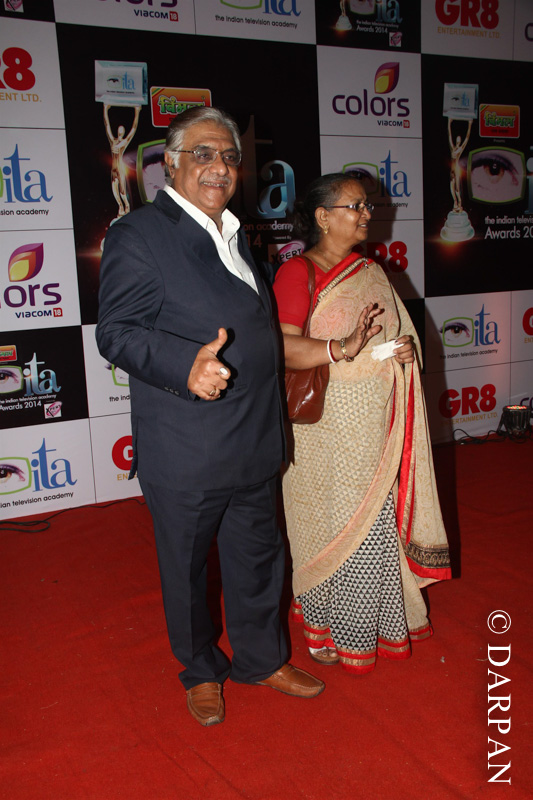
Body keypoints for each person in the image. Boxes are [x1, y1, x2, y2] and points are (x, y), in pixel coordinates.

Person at [96, 106, 324, 727]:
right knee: (187, 570)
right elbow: (116, 331)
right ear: (170, 164)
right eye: (202, 153)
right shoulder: (140, 233)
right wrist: (184, 366)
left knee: (259, 558)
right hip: (186, 446)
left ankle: (262, 659)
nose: (218, 166)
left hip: (254, 437)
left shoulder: (234, 232)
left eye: (228, 156)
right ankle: (200, 669)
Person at [273, 172, 451, 674]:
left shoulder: (371, 271)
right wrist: (345, 348)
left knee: (373, 522)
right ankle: (324, 627)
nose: (367, 213)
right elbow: (282, 347)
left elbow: (394, 338)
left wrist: (398, 351)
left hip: (373, 422)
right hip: (321, 427)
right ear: (323, 217)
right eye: (355, 205)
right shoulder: (297, 272)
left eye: (367, 205)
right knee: (327, 525)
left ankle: (371, 622)